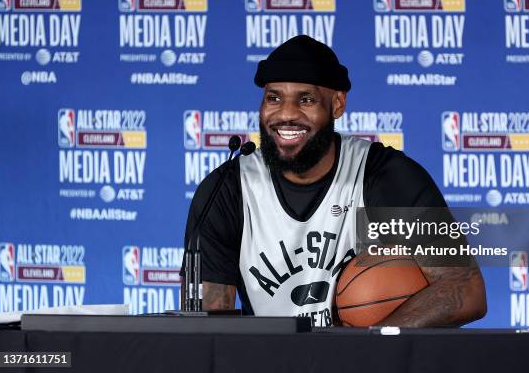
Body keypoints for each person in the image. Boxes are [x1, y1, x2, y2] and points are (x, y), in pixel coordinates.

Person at [181, 35, 486, 327]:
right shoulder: (229, 189)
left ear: (337, 105)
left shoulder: (383, 176)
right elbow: (207, 320)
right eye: (274, 97)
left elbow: (464, 290)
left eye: (306, 99)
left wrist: (365, 348)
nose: (286, 113)